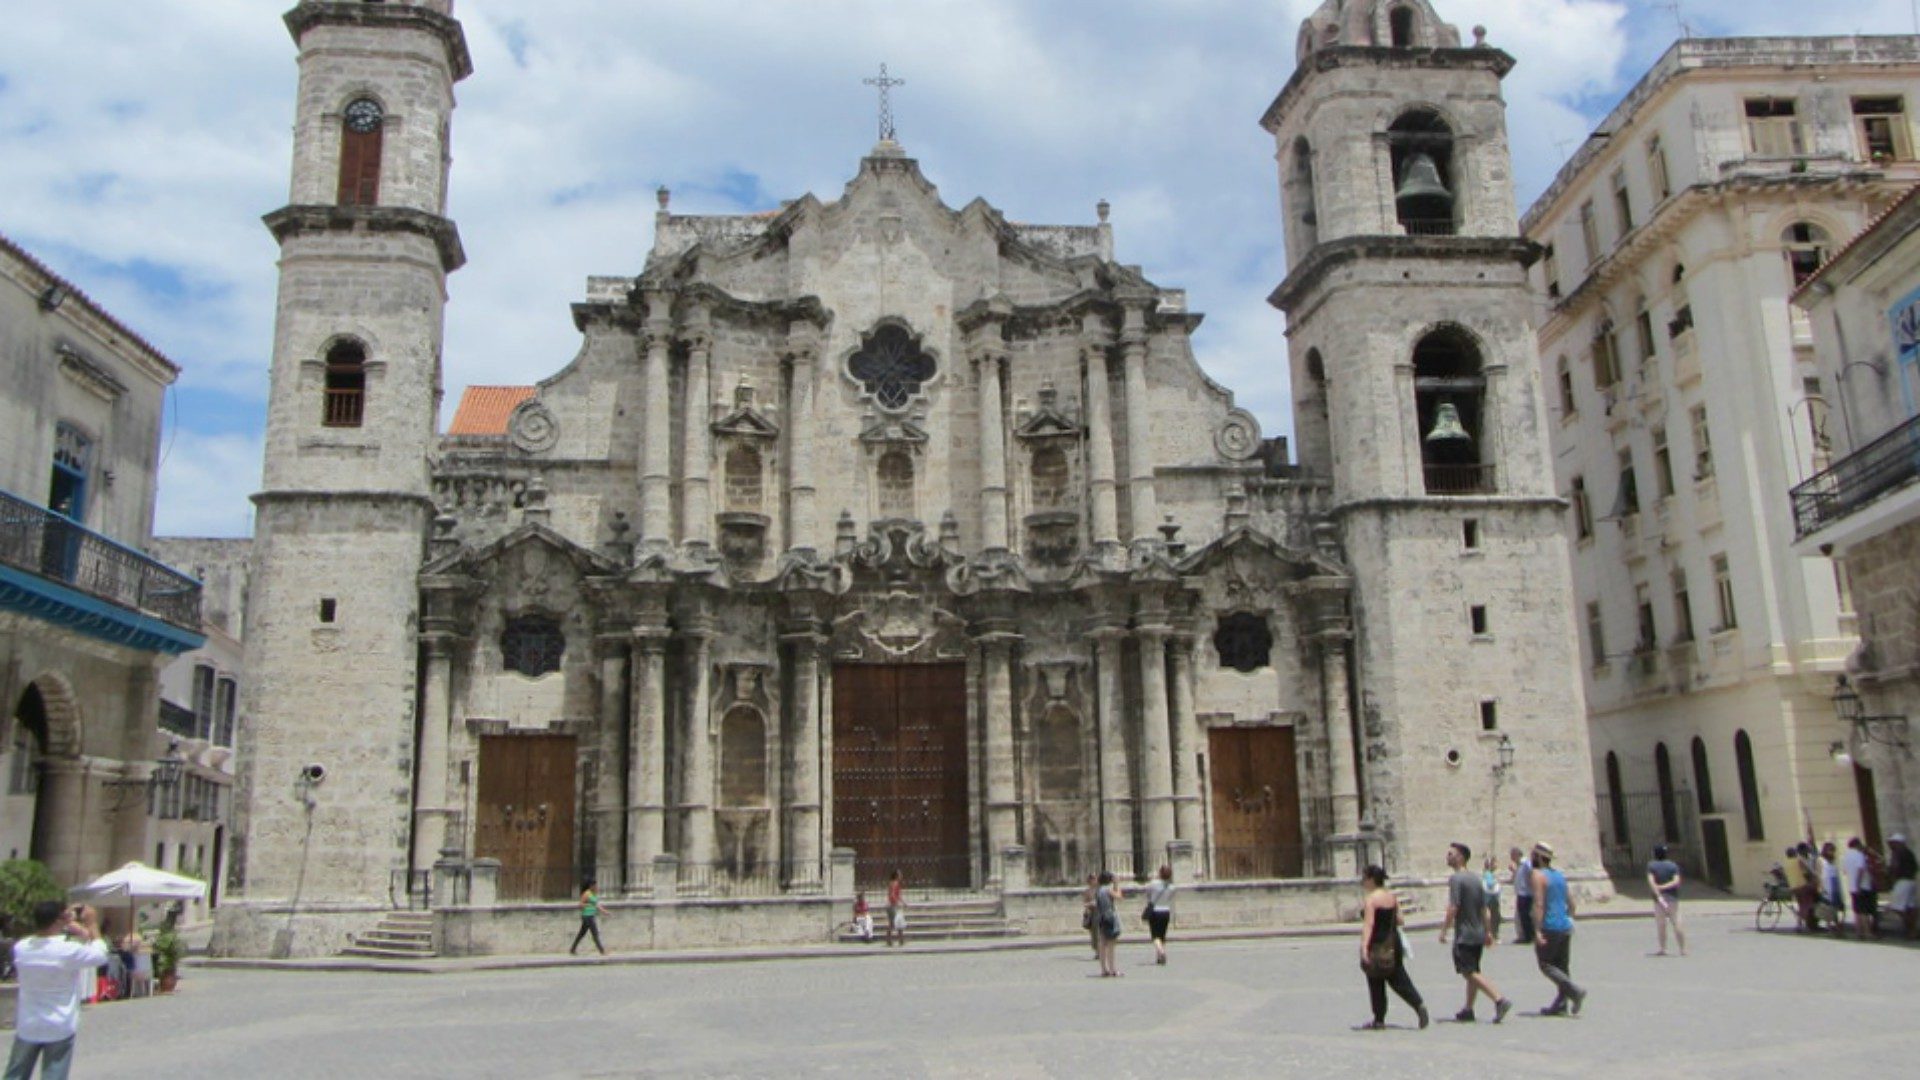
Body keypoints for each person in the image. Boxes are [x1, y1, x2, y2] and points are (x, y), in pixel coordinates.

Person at [6, 900, 108, 1080]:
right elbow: (100, 954)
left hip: (28, 1022)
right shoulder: (67, 950)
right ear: (59, 920)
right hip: (59, 1023)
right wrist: (91, 924)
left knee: (15, 1075)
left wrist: (66, 920)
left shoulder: (21, 948)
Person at [1439, 842, 1512, 1024]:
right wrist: (1488, 932)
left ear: (1461, 857)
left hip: (1464, 933)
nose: (1448, 857)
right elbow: (1484, 909)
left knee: (1469, 972)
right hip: (1478, 933)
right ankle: (1468, 1009)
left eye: (1451, 854)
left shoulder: (1456, 880)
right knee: (1473, 970)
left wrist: (1444, 930)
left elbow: (1453, 907)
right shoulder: (1475, 879)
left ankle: (1499, 999)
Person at [1357, 864, 1426, 1030]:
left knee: (1375, 981)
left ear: (1371, 880)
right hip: (1393, 942)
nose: (1362, 881)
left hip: (1377, 943)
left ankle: (1379, 1019)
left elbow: (1369, 924)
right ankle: (1418, 1004)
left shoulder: (1371, 900)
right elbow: (1400, 920)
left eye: (1364, 878)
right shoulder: (1391, 897)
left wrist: (1364, 947)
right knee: (1399, 978)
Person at [1530, 842, 1586, 1017]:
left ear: (1538, 857)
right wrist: (1568, 918)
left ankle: (1574, 991)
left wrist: (1538, 930)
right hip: (1564, 925)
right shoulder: (1560, 876)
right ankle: (1561, 1005)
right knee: (1562, 967)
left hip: (1549, 925)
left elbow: (1539, 903)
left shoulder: (1538, 875)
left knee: (1546, 964)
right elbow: (1572, 904)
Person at [1646, 843, 1686, 956]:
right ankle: (1682, 949)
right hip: (1672, 898)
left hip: (1659, 899)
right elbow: (1676, 881)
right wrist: (1665, 887)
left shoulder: (1651, 866)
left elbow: (1651, 882)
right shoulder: (1673, 865)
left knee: (1661, 924)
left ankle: (1663, 948)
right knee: (1677, 922)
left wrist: (1658, 891)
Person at [1842, 837, 1877, 940]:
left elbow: (1845, 871)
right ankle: (1867, 932)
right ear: (1857, 845)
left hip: (1852, 887)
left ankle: (1858, 932)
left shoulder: (1846, 857)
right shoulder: (1859, 855)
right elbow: (1860, 869)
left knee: (1857, 910)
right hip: (1863, 886)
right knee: (1864, 911)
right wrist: (1858, 883)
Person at [1886, 834, 1918, 940]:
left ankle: (1911, 928)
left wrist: (1891, 877)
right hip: (1911, 881)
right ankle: (1912, 930)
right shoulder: (1909, 853)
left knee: (1897, 907)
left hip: (1902, 881)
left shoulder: (1898, 852)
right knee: (1910, 907)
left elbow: (1894, 867)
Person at [1143, 864, 1175, 966]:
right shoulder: (1172, 887)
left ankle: (1161, 952)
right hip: (1166, 911)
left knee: (1155, 936)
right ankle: (1159, 957)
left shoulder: (1153, 883)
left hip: (1155, 911)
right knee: (1162, 935)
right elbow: (1170, 898)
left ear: (1160, 873)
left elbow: (1148, 894)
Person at [1093, 870, 1122, 977]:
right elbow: (1119, 896)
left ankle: (1104, 969)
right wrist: (1117, 884)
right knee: (1111, 945)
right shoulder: (1107, 890)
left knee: (1102, 944)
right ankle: (1112, 969)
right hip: (1110, 917)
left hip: (1101, 918)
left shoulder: (1098, 890)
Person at [569, 880, 605, 955]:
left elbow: (596, 904)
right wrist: (587, 905)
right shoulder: (587, 894)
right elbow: (580, 904)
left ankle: (572, 949)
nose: (596, 887)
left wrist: (604, 911)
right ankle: (602, 951)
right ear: (591, 886)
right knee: (595, 933)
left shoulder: (594, 894)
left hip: (591, 915)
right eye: (595, 886)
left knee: (581, 934)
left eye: (596, 886)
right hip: (587, 916)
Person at [1819, 840, 1846, 935]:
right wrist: (1822, 888)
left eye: (1833, 850)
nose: (1832, 852)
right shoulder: (1822, 861)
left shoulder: (1833, 861)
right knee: (1829, 907)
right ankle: (1830, 926)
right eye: (1830, 850)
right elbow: (1821, 875)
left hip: (1835, 884)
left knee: (1837, 906)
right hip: (1827, 886)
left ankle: (1837, 924)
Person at [1791, 843, 1820, 932]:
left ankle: (1805, 923)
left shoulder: (1795, 860)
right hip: (1804, 885)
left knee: (1803, 905)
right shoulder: (1801, 860)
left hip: (1796, 886)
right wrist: (1816, 876)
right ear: (1802, 850)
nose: (1808, 851)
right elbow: (1810, 871)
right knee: (1807, 905)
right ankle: (1801, 924)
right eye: (1806, 849)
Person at [1509, 846, 1534, 945]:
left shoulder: (1526, 864)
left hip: (1526, 893)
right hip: (1521, 893)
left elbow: (1531, 874)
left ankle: (1528, 936)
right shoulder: (1519, 865)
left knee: (1525, 916)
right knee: (1522, 915)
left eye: (1512, 855)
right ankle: (1524, 935)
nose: (1511, 858)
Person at [1480, 856, 1503, 943]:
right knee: (1494, 916)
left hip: (1490, 897)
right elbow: (1489, 884)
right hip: (1491, 898)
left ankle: (1491, 934)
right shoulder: (1488, 874)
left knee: (1492, 916)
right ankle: (1493, 934)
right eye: (1495, 863)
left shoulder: (1488, 874)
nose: (1497, 865)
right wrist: (1496, 880)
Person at [885, 869, 906, 948]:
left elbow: (897, 895)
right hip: (893, 906)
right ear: (897, 876)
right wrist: (897, 902)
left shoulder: (891, 883)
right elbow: (893, 895)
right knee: (898, 923)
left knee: (892, 923)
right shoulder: (895, 883)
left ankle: (889, 940)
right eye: (900, 874)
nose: (901, 876)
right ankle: (900, 940)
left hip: (890, 905)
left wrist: (903, 902)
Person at [1081, 874, 1101, 958]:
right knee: (1094, 934)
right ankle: (1097, 951)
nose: (1093, 881)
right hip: (1092, 914)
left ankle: (1101, 951)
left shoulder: (1100, 890)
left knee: (1100, 933)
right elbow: (1085, 903)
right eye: (1091, 879)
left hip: (1100, 913)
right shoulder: (1087, 891)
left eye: (1094, 879)